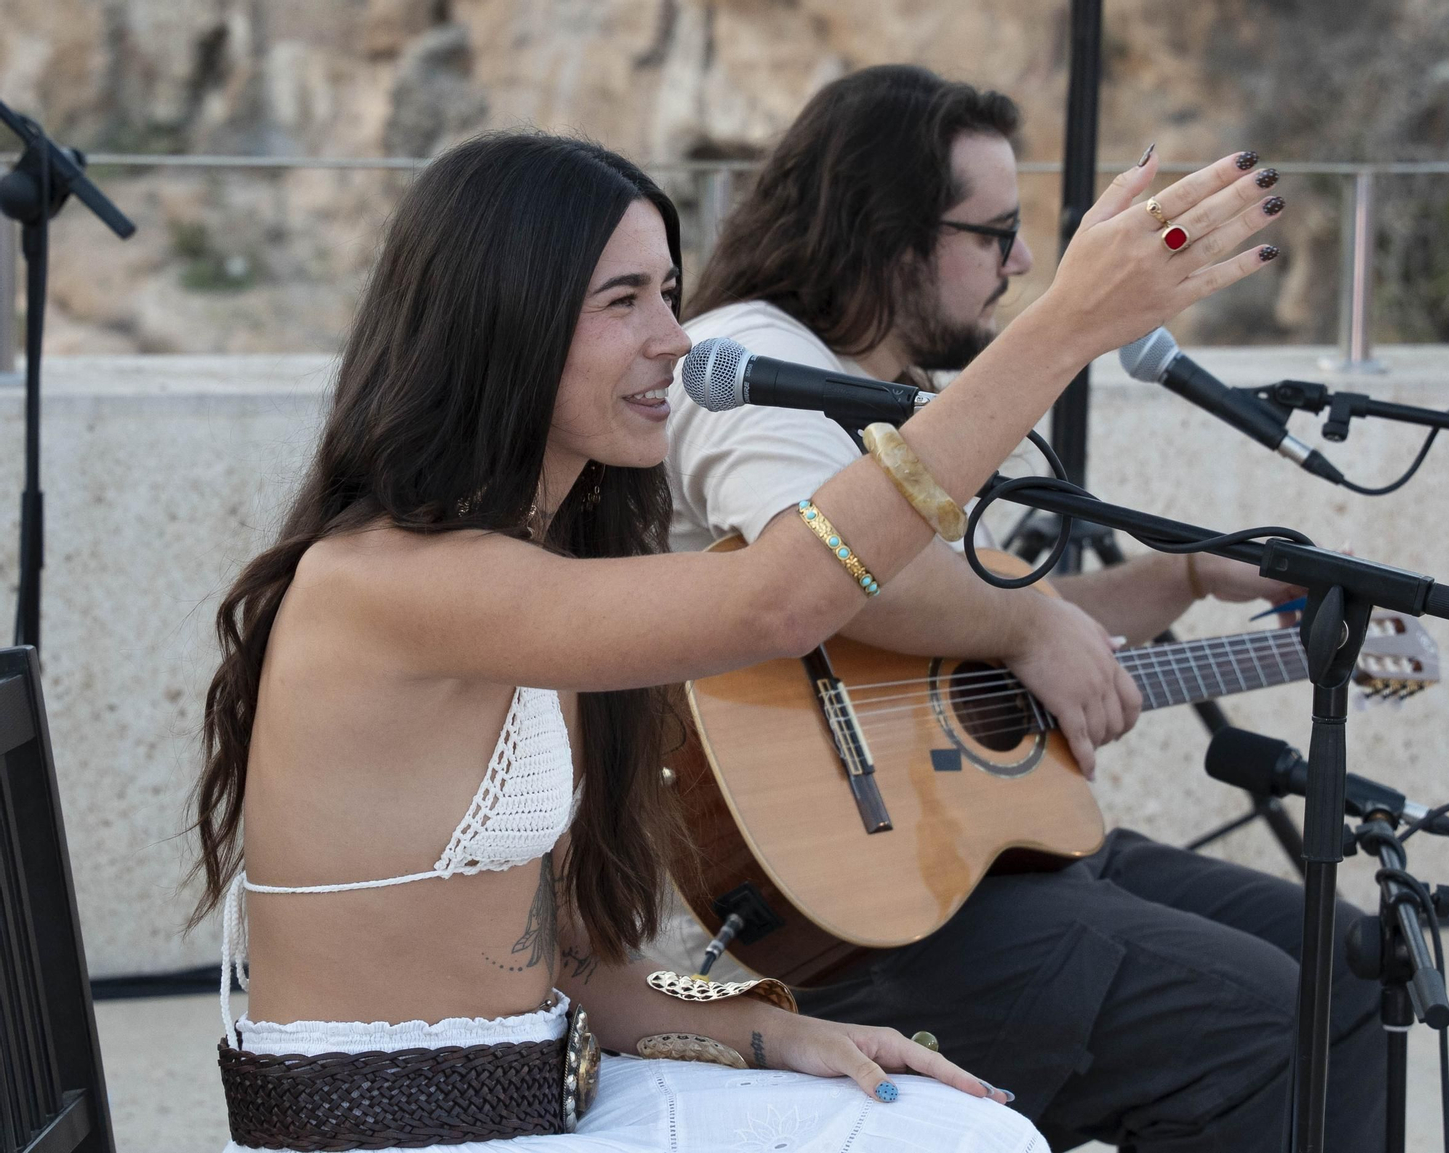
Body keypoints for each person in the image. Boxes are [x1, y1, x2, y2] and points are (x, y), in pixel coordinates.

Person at [185, 128, 1274, 1152]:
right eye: (623, 300)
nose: (674, 337)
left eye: (669, 291)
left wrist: (775, 1028)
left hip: (543, 1092)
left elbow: (564, 967)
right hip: (402, 1133)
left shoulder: (529, 583)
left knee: (952, 1117)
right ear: (500, 320)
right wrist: (1062, 328)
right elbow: (781, 599)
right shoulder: (396, 581)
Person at [664, 66, 1382, 1152]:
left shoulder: (887, 386)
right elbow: (825, 573)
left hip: (970, 859)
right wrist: (1029, 624)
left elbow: (977, 623)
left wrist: (1185, 576)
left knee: (1355, 963)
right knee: (1264, 1018)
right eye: (995, 231)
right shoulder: (755, 360)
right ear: (886, 231)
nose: (1022, 260)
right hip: (846, 902)